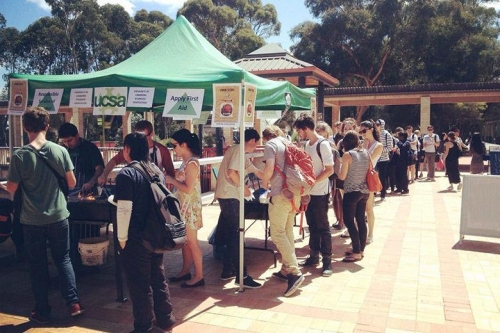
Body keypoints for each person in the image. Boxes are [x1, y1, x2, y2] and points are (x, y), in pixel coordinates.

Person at [2, 107, 83, 324]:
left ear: (25, 127)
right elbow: (72, 183)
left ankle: (43, 310)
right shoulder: (60, 151)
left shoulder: (20, 156)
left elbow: (11, 188)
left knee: (37, 265)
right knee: (63, 258)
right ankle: (73, 302)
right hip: (59, 215)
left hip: (31, 220)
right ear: (47, 126)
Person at [112, 132, 175, 333]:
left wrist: (121, 238)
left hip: (136, 237)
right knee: (157, 277)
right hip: (157, 233)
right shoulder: (155, 170)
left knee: (139, 283)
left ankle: (143, 326)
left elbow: (124, 209)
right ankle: (165, 318)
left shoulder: (126, 174)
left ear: (127, 149)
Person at [214, 129, 263, 288]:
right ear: (252, 141)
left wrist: (271, 175)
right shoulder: (238, 151)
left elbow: (255, 171)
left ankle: (228, 269)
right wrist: (244, 188)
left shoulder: (240, 152)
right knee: (237, 234)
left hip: (229, 196)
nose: (257, 146)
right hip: (230, 196)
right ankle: (241, 275)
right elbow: (232, 173)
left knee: (232, 233)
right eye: (257, 142)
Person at [260, 125, 305, 297]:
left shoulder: (271, 145)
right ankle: (287, 269)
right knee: (287, 231)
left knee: (277, 233)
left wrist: (265, 183)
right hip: (294, 193)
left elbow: (269, 169)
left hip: (280, 194)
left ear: (266, 137)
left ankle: (294, 271)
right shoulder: (289, 143)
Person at [294, 115, 334, 277]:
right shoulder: (308, 145)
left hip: (320, 193)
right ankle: (314, 256)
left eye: (299, 131)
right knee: (312, 225)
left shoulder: (322, 145)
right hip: (309, 193)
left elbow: (329, 169)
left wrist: (312, 182)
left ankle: (327, 262)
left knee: (323, 226)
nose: (298, 134)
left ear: (306, 129)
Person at [165, 129, 204, 288]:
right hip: (184, 207)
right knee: (186, 241)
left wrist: (171, 181)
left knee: (192, 242)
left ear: (184, 144)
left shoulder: (192, 164)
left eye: (175, 145)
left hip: (190, 208)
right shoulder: (186, 162)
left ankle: (199, 276)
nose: (173, 148)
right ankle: (186, 270)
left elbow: (188, 188)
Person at [98, 120, 175, 186]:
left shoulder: (161, 150)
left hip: (155, 191)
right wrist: (104, 175)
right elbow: (114, 161)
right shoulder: (131, 148)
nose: (140, 139)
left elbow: (171, 173)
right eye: (137, 136)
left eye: (143, 136)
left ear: (152, 134)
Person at [337, 130, 370, 262]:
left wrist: (338, 166)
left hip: (351, 192)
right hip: (365, 191)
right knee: (361, 220)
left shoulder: (347, 155)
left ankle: (356, 251)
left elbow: (342, 176)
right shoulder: (365, 152)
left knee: (349, 221)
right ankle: (361, 250)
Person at [58, 122, 104, 194]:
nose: (67, 144)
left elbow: (100, 168)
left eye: (70, 140)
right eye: (64, 141)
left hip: (88, 191)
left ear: (77, 135)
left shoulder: (90, 148)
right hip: (66, 191)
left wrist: (91, 182)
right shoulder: (61, 149)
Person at [316, 122, 344, 231]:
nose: (323, 138)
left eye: (324, 136)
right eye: (320, 135)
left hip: (331, 178)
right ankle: (336, 220)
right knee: (332, 200)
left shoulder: (331, 146)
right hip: (320, 178)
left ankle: (340, 221)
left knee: (336, 199)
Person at [359, 120, 382, 245]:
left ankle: (370, 233)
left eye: (364, 131)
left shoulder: (378, 145)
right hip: (359, 177)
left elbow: (368, 160)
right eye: (360, 131)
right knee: (359, 209)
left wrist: (364, 147)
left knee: (369, 208)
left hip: (368, 178)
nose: (362, 134)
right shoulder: (362, 143)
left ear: (371, 129)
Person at [374, 119, 393, 201]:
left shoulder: (387, 135)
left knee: (382, 177)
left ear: (382, 125)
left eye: (378, 124)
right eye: (376, 124)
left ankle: (383, 194)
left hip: (383, 159)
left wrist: (380, 150)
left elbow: (390, 148)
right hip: (374, 158)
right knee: (373, 176)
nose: (376, 126)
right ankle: (374, 192)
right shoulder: (373, 134)